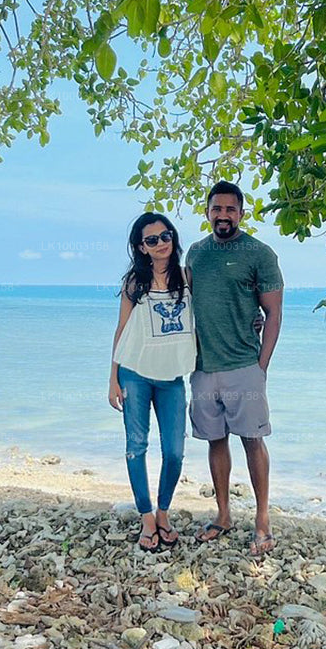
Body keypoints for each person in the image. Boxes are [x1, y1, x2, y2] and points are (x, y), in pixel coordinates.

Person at [185, 180, 284, 556]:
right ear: (207, 212)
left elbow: (273, 313)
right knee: (215, 440)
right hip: (203, 367)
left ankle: (262, 520)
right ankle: (223, 515)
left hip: (244, 365)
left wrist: (262, 366)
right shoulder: (196, 253)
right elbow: (183, 303)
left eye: (230, 209)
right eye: (217, 209)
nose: (223, 215)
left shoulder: (259, 253)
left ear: (241, 213)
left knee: (252, 440)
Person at [109, 212, 195, 552]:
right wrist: (112, 378)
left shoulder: (187, 277)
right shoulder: (135, 283)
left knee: (174, 451)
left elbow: (215, 308)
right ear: (141, 247)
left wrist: (253, 320)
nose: (161, 243)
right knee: (136, 447)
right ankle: (146, 517)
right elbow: (122, 329)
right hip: (135, 373)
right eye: (152, 240)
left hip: (172, 377)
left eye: (165, 235)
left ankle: (163, 511)